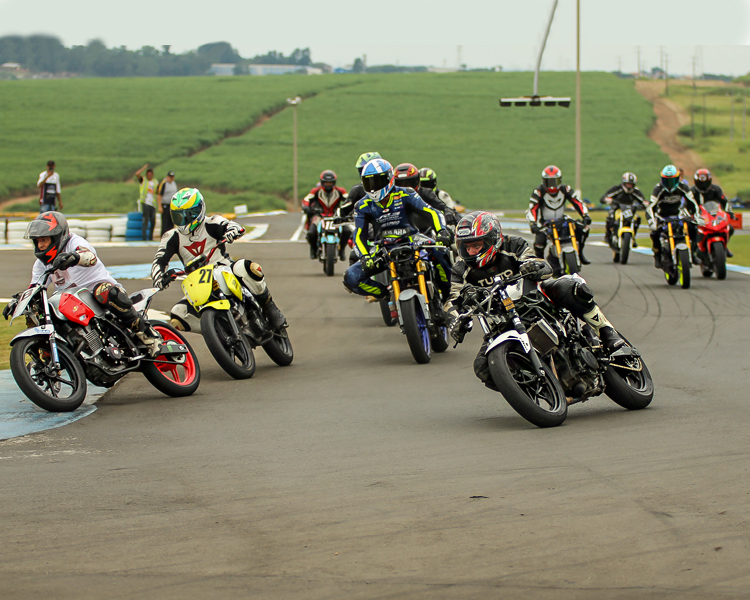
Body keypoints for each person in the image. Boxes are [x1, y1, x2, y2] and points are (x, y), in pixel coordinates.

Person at [445, 211, 624, 391]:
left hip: (534, 299)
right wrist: (455, 320)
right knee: (482, 367)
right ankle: (534, 387)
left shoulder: (513, 244)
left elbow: (539, 262)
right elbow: (452, 299)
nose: (471, 251)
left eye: (476, 245)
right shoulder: (460, 269)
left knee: (567, 287)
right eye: (466, 247)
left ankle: (607, 332)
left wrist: (532, 266)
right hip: (502, 320)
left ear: (493, 238)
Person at [6, 211, 160, 355]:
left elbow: (90, 256)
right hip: (71, 304)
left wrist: (74, 257)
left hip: (99, 295)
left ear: (57, 236)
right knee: (38, 309)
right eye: (38, 241)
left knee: (103, 291)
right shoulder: (41, 264)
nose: (40, 246)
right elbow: (35, 288)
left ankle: (147, 334)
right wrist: (19, 301)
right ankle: (48, 358)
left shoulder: (74, 242)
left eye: (44, 240)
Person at [150, 188, 286, 333]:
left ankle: (269, 306)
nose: (185, 220)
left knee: (247, 267)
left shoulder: (212, 221)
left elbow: (233, 226)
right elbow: (159, 260)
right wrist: (158, 276)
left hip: (224, 268)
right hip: (198, 283)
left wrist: (233, 231)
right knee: (178, 315)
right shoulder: (170, 236)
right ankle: (217, 331)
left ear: (200, 208)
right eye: (179, 216)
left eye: (190, 214)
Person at [343, 158, 453, 301]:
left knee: (441, 251)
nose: (372, 188)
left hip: (413, 240)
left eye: (377, 181)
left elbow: (433, 212)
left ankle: (448, 297)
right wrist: (365, 257)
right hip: (383, 248)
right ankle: (386, 295)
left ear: (389, 178)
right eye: (368, 182)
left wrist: (442, 231)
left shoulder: (406, 193)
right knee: (351, 277)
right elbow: (359, 235)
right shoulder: (362, 205)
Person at [526, 165, 592, 265]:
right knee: (539, 243)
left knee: (584, 229)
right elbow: (532, 209)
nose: (552, 186)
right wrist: (533, 224)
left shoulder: (566, 189)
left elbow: (577, 202)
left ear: (559, 180)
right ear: (543, 181)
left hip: (562, 219)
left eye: (554, 182)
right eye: (549, 182)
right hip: (545, 223)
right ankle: (540, 264)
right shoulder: (539, 191)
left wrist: (585, 215)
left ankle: (580, 252)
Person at [647, 165, 701, 267]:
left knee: (693, 228)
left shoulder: (683, 187)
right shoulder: (658, 189)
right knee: (654, 233)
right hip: (662, 216)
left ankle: (693, 252)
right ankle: (657, 254)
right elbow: (650, 207)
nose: (669, 184)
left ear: (677, 179)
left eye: (671, 181)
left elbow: (693, 203)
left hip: (678, 214)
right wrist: (651, 221)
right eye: (666, 181)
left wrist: (696, 216)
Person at [302, 170, 350, 260]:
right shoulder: (316, 191)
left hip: (336, 216)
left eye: (330, 182)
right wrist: (306, 207)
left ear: (334, 182)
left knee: (347, 231)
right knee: (311, 232)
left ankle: (342, 249)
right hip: (319, 216)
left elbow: (349, 199)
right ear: (322, 182)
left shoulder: (340, 191)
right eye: (326, 183)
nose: (328, 184)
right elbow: (307, 199)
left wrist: (350, 207)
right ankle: (313, 248)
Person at [393, 163, 459, 227]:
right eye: (400, 184)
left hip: (425, 232)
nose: (405, 187)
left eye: (408, 183)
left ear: (417, 181)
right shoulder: (388, 197)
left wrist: (448, 212)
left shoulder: (426, 193)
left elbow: (442, 206)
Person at [691, 168, 734, 257]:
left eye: (705, 182)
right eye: (700, 182)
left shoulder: (716, 189)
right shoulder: (692, 191)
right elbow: (686, 204)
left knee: (730, 228)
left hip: (713, 215)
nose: (703, 184)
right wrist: (690, 215)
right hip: (697, 217)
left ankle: (725, 247)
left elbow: (724, 201)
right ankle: (693, 249)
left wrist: (729, 212)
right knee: (691, 229)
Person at [600, 172, 647, 247]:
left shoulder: (636, 191)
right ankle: (608, 236)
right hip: (617, 209)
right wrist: (607, 200)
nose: (629, 186)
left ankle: (633, 237)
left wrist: (645, 204)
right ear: (624, 183)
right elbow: (603, 198)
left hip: (630, 210)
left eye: (631, 185)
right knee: (610, 218)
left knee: (637, 219)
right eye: (628, 184)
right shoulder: (617, 189)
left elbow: (643, 200)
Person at [134, 164, 159, 241]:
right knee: (145, 221)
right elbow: (137, 174)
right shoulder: (143, 180)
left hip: (153, 204)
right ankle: (144, 238)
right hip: (145, 203)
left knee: (153, 221)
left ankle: (151, 237)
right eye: (148, 174)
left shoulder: (155, 182)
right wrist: (144, 168)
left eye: (151, 174)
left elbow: (158, 192)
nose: (149, 176)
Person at [157, 171, 178, 236]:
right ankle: (164, 237)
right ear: (167, 177)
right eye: (170, 177)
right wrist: (159, 206)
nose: (171, 178)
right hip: (165, 205)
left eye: (172, 177)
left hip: (172, 205)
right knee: (165, 223)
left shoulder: (174, 184)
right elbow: (159, 195)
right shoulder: (164, 183)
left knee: (171, 222)